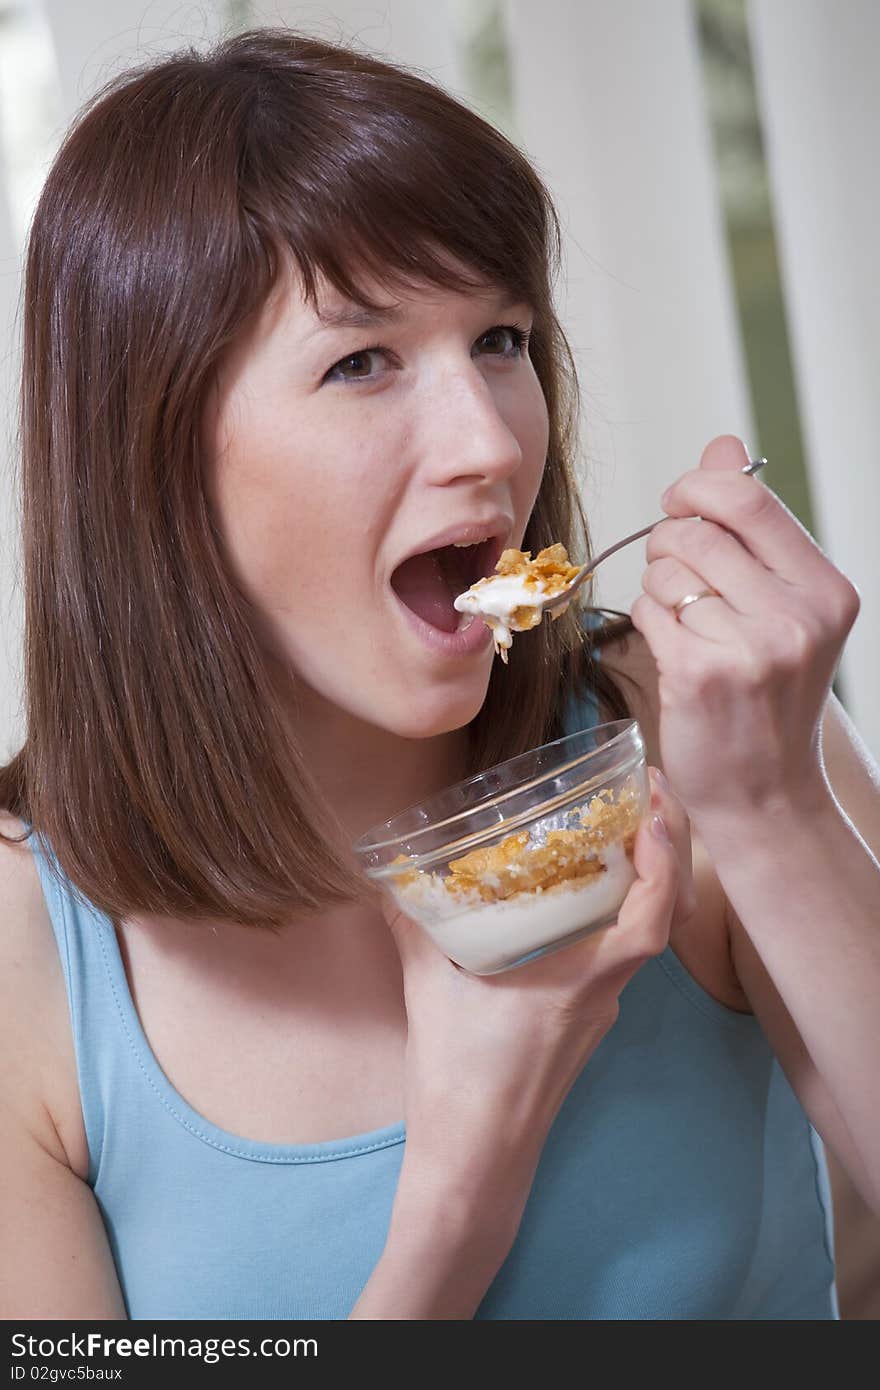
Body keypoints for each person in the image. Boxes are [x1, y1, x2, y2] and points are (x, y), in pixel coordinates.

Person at [1, 28, 878, 1322]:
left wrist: (776, 806)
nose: (487, 442)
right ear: (158, 461)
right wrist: (457, 1201)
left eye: (503, 339)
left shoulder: (692, 727)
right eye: (361, 362)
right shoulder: (27, 947)